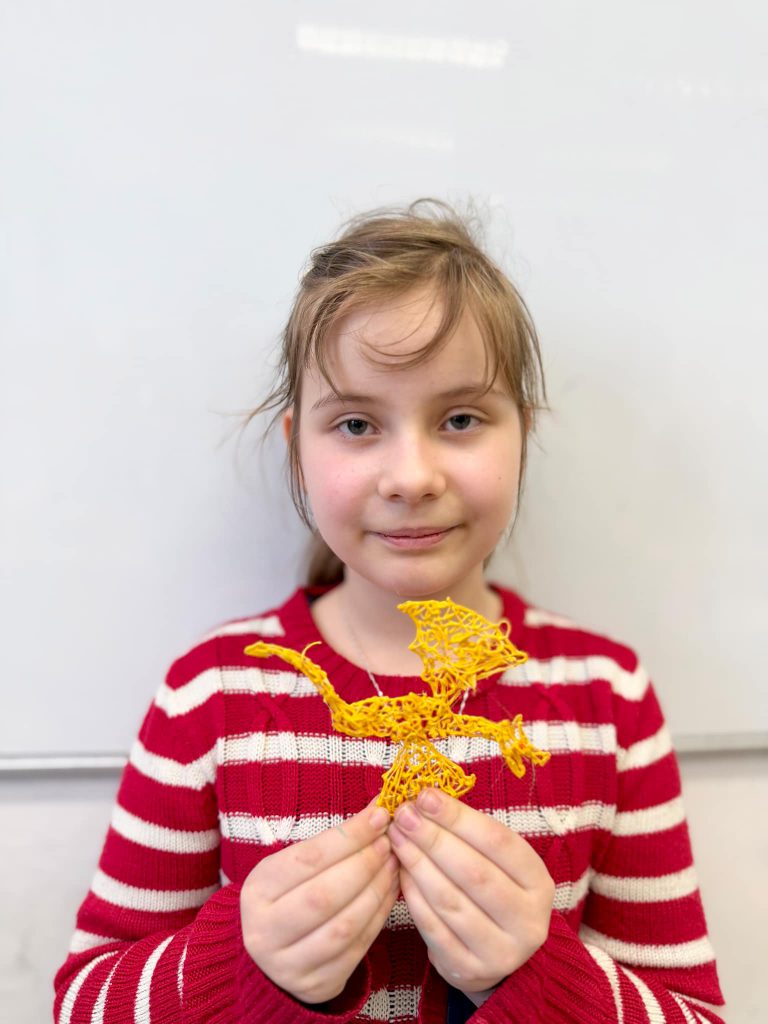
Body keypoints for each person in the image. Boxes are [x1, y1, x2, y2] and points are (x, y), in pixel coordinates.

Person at [54, 200, 726, 1023]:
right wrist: (243, 963)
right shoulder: (211, 695)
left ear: (522, 435)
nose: (411, 476)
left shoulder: (606, 699)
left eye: (460, 419)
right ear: (299, 449)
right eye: (357, 424)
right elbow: (83, 1002)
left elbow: (693, 1011)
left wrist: (541, 974)